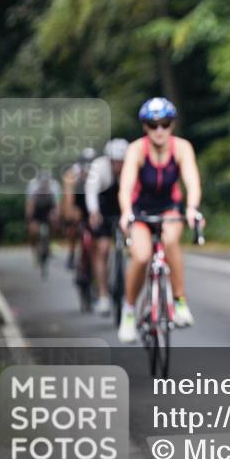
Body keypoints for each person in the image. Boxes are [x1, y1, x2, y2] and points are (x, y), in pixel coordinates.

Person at [117, 97, 203, 343]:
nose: (159, 130)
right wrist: (126, 212)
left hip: (169, 208)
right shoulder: (136, 150)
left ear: (172, 125)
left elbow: (192, 182)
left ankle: (180, 302)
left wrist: (192, 209)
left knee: (170, 241)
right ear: (145, 127)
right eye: (153, 125)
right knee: (141, 256)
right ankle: (129, 312)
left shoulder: (182, 148)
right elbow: (126, 187)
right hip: (141, 210)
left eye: (165, 124)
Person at [85, 138, 129, 316]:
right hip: (104, 208)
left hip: (124, 208)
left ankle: (127, 290)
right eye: (115, 161)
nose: (118, 165)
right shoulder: (99, 167)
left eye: (121, 161)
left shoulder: (131, 167)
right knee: (102, 250)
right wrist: (94, 212)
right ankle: (103, 294)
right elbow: (91, 192)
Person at [61, 148, 97, 269]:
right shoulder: (72, 174)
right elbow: (68, 198)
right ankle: (71, 253)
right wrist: (71, 212)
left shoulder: (100, 171)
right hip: (78, 200)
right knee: (73, 226)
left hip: (93, 199)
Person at [25, 169, 61, 251]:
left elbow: (57, 205)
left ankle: (50, 242)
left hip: (49, 206)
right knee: (32, 229)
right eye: (42, 183)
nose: (44, 185)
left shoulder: (55, 186)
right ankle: (35, 245)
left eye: (46, 183)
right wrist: (30, 220)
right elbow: (29, 205)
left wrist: (57, 217)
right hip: (37, 207)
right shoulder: (32, 186)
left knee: (54, 221)